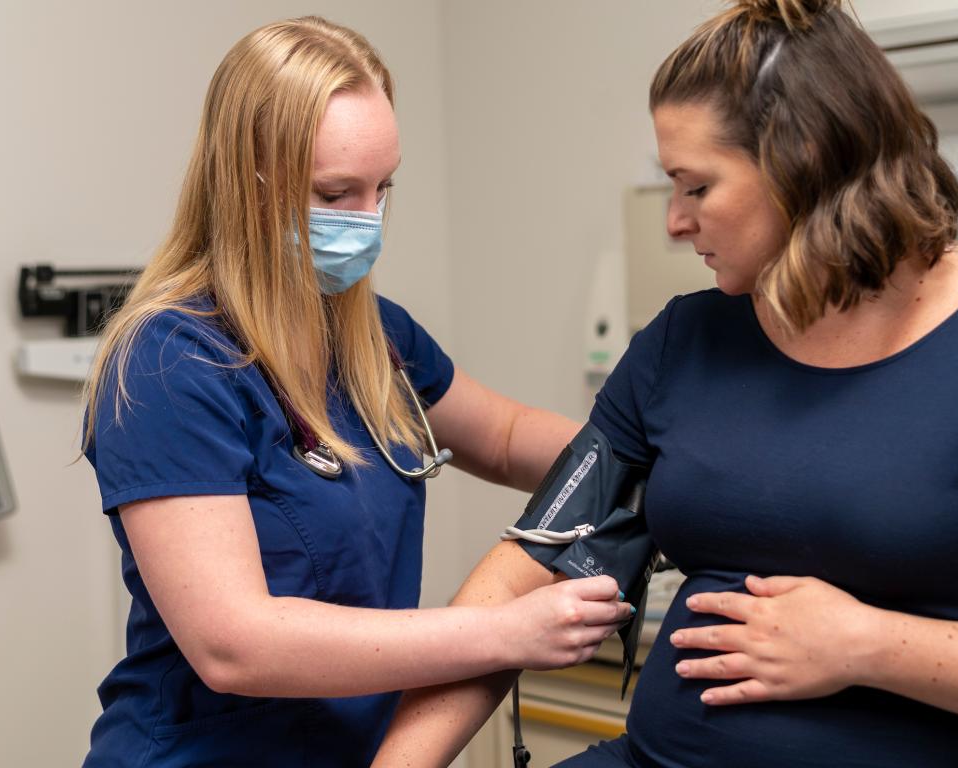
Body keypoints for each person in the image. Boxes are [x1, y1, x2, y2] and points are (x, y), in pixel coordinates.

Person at [373, 1, 958, 765]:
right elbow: (531, 564)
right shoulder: (687, 340)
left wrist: (870, 645)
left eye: (696, 186)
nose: (674, 222)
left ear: (802, 157)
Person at [79, 16, 632, 768]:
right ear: (247, 186)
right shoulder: (167, 365)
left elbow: (503, 439)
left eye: (383, 188)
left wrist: (652, 459)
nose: (368, 222)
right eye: (336, 193)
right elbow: (234, 645)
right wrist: (505, 631)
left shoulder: (374, 336)